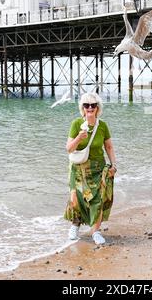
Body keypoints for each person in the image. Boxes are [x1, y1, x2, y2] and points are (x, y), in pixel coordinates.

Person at [64, 92, 117, 245]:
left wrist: (114, 164)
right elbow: (68, 148)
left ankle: (96, 232)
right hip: (78, 169)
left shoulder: (103, 126)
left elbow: (109, 146)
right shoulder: (76, 124)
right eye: (86, 105)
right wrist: (79, 137)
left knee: (98, 200)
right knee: (76, 199)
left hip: (98, 169)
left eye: (93, 105)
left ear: (97, 108)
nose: (90, 108)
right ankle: (75, 226)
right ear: (82, 108)